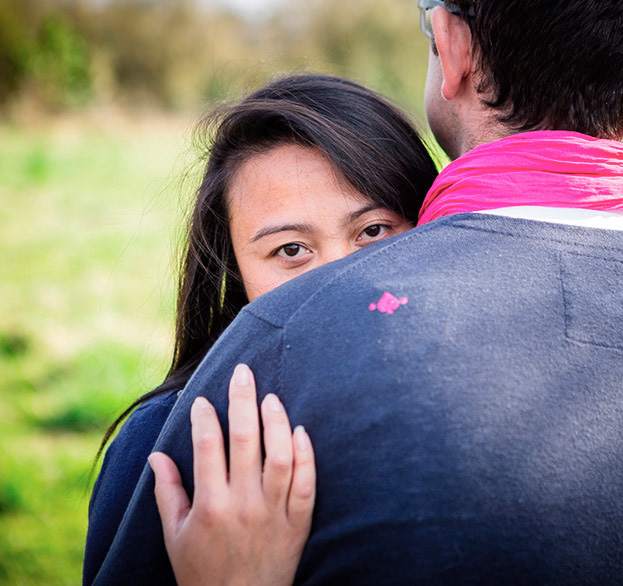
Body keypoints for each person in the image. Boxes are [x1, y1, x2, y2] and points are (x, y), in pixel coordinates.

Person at [87, 1, 623, 583]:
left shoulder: (269, 364)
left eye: (372, 232)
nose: (333, 269)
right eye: (289, 249)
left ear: (450, 48)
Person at [83, 73, 439, 584]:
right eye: (291, 250)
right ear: (235, 272)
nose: (339, 279)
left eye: (374, 231)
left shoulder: (483, 400)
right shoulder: (168, 445)